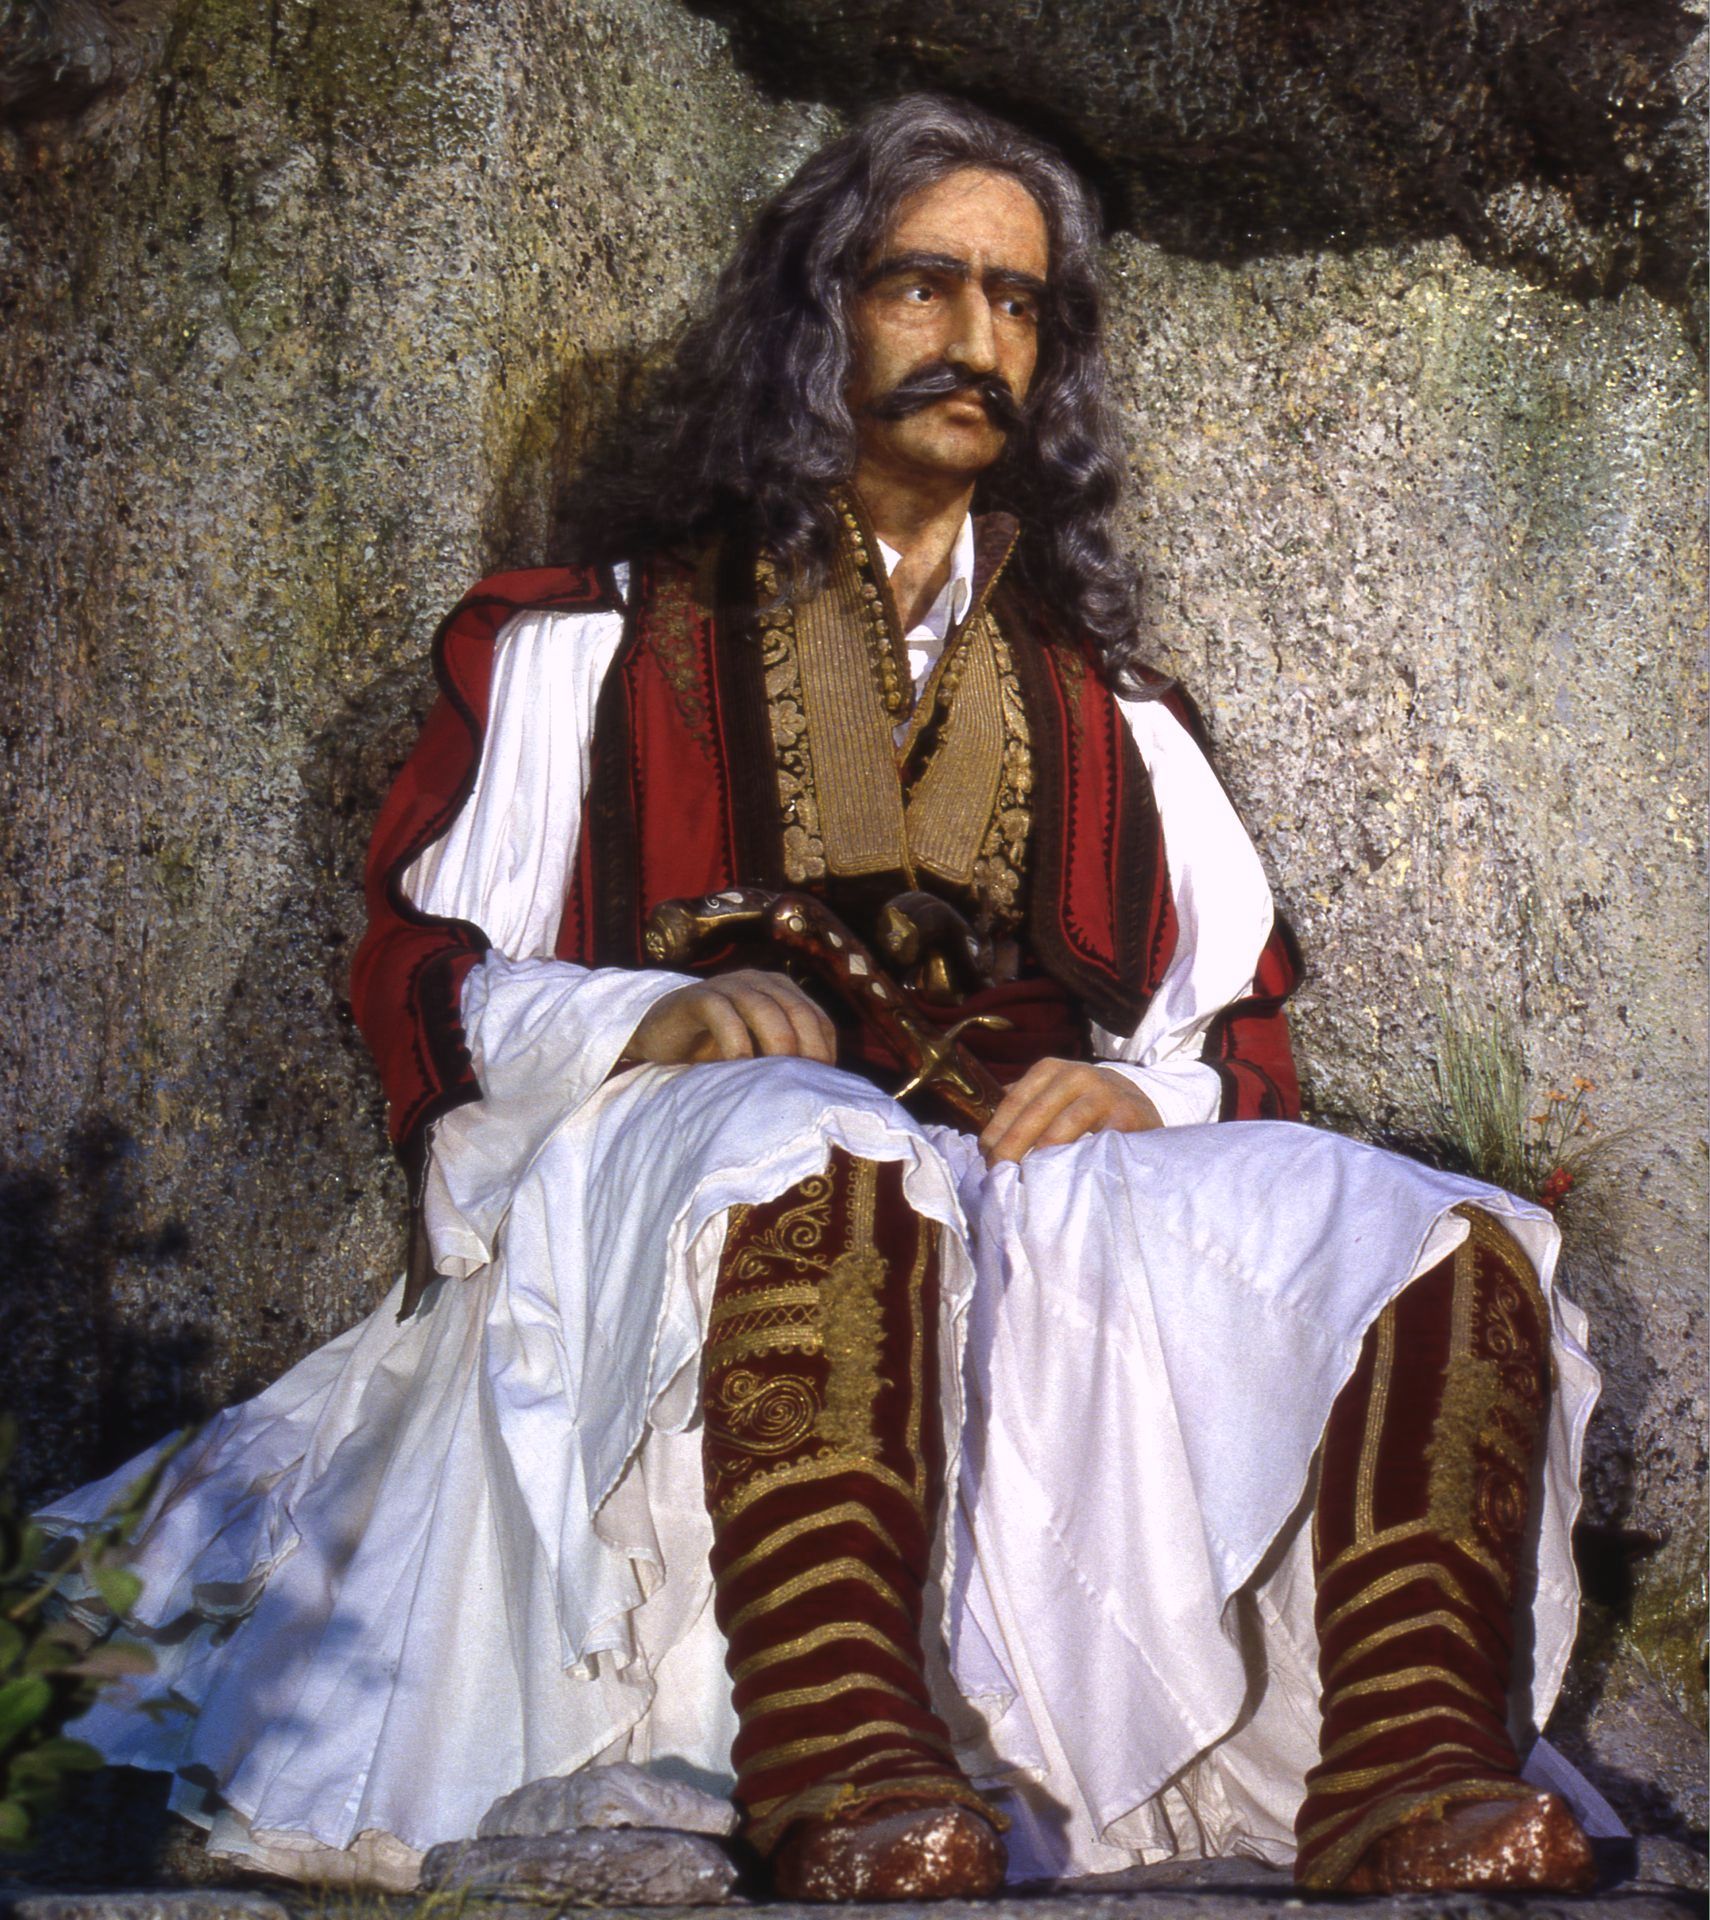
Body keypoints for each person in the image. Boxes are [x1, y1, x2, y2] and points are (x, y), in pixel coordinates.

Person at [43, 95, 1601, 1898]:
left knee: (1420, 1229)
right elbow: (429, 969)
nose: (976, 340)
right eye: (922, 285)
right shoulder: (595, 639)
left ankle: (1407, 1770)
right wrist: (643, 1020)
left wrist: (1141, 1096)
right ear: (815, 311)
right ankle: (836, 1766)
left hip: (1012, 1183)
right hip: (688, 1172)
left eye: (1018, 304)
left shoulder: (1109, 708)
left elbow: (1226, 1031)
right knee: (812, 1144)